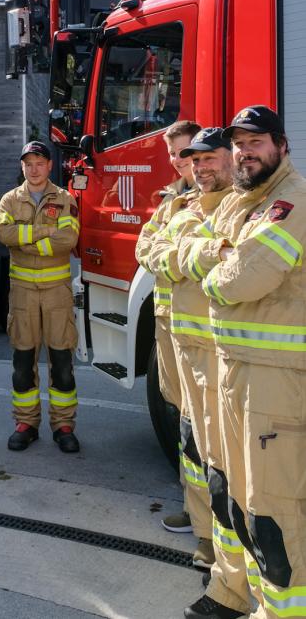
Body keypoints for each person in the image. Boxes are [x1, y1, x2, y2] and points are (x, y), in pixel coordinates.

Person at [200, 106, 306, 619]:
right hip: (233, 368)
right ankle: (252, 600)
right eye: (239, 144)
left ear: (282, 146)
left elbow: (242, 279)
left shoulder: (292, 201)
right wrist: (222, 257)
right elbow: (197, 247)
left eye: (257, 141)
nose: (246, 151)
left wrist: (218, 270)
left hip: (275, 379)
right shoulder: (243, 204)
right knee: (238, 498)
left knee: (275, 509)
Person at [151, 129, 250, 619]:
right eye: (190, 157)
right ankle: (206, 535)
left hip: (220, 348)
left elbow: (231, 263)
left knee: (225, 460)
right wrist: (196, 253)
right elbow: (151, 253)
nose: (195, 165)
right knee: (194, 443)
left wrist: (187, 254)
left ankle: (233, 566)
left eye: (207, 156)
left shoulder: (242, 204)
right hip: (181, 339)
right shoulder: (181, 205)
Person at [135, 119, 212, 552]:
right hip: (169, 323)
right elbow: (144, 249)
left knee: (208, 430)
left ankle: (214, 526)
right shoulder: (170, 200)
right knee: (182, 421)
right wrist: (172, 256)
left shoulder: (221, 203)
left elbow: (186, 258)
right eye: (173, 155)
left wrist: (170, 255)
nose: (179, 162)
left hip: (203, 330)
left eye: (185, 153)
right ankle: (194, 505)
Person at [0, 140, 80, 453]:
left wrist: (27, 238)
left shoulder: (64, 198)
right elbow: (4, 235)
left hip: (56, 293)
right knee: (22, 362)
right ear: (22, 167)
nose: (34, 169)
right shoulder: (9, 200)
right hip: (22, 295)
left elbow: (69, 237)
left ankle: (63, 425)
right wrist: (45, 232)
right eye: (28, 163)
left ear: (49, 166)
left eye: (39, 163)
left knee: (61, 362)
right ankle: (26, 423)